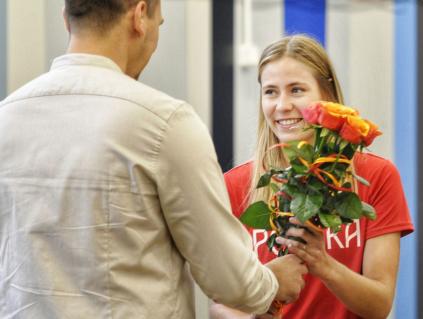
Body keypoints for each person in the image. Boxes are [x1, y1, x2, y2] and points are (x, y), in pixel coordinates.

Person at [0, 1, 308, 318]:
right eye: (159, 24)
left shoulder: (6, 118)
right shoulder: (163, 123)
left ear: (66, 20)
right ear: (139, 16)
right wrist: (271, 284)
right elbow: (228, 278)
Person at [210, 35, 414, 319]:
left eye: (296, 90)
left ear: (327, 97)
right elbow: (221, 303)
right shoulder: (235, 186)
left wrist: (322, 263)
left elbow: (379, 305)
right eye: (270, 92)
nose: (282, 105)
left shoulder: (378, 176)